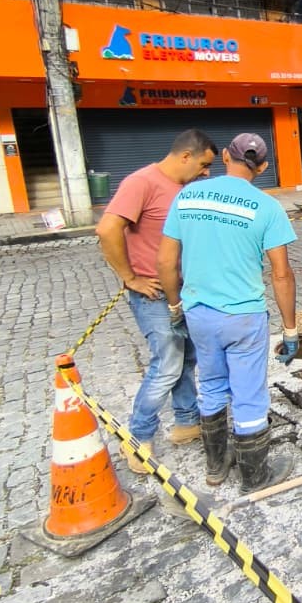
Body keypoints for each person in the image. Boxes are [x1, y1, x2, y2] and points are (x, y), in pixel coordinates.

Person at [157, 133, 299, 494]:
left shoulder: (186, 196)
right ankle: (255, 476)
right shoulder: (266, 208)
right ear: (263, 167)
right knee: (249, 393)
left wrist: (176, 307)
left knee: (213, 385)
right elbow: (281, 274)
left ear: (224, 156)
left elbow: (166, 261)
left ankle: (216, 466)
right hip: (244, 317)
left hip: (199, 314)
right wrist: (291, 329)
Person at [95, 129, 218, 472]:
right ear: (185, 157)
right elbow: (107, 229)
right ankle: (138, 438)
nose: (207, 172)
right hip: (154, 295)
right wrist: (130, 277)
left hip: (182, 293)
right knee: (166, 365)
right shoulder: (142, 182)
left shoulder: (183, 188)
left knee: (186, 358)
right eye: (204, 164)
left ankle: (186, 422)